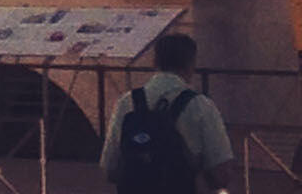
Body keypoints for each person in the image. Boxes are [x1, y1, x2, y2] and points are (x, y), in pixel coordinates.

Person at [101, 32, 236, 194]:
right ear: (190, 64)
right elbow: (221, 174)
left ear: (155, 62)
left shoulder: (126, 102)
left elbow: (110, 170)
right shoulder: (200, 106)